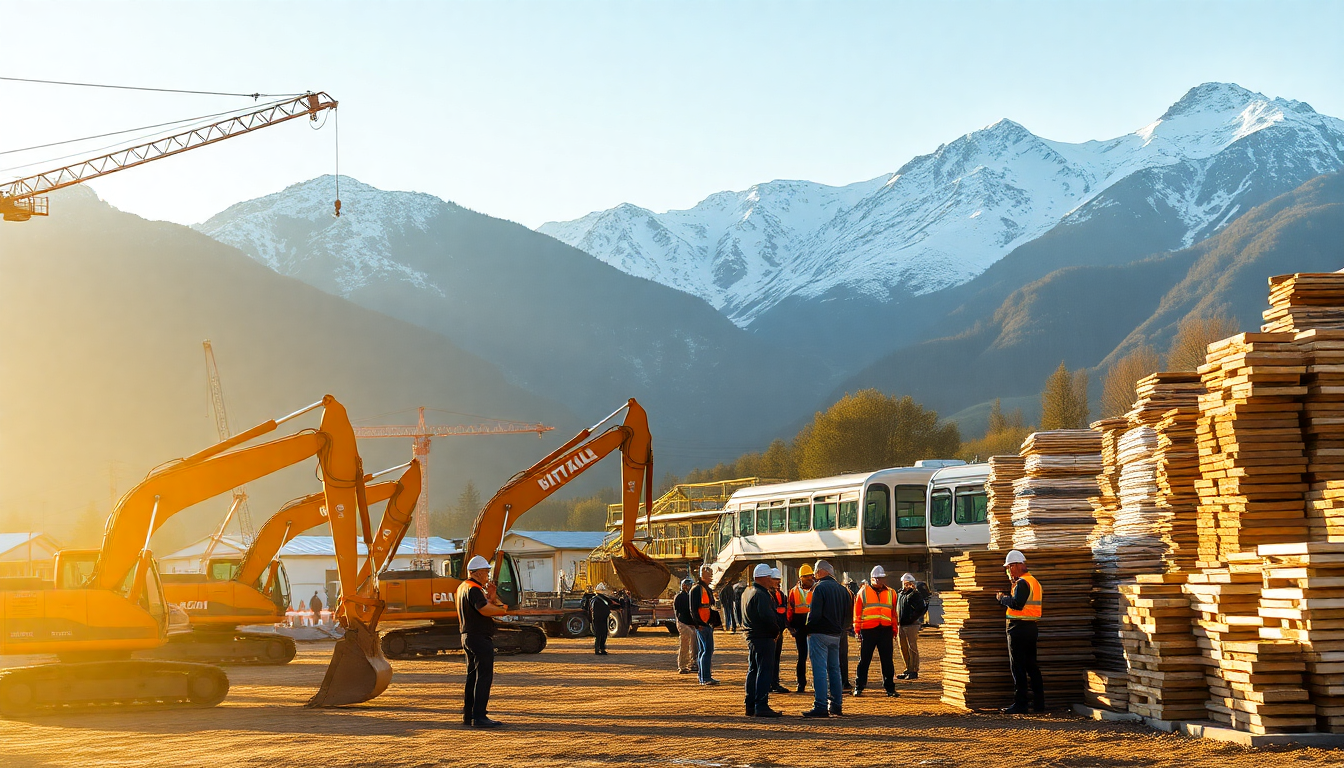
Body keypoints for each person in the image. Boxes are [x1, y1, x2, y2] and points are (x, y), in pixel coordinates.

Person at [456, 554, 507, 728]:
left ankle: (469, 715)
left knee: (472, 676)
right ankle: (480, 716)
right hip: (479, 637)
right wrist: (500, 610)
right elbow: (483, 609)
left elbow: (482, 605)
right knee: (484, 677)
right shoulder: (474, 589)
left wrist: (491, 596)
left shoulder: (463, 587)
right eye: (485, 572)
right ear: (477, 573)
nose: (487, 576)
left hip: (467, 636)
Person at [997, 549, 1045, 714]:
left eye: (1010, 567)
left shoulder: (1023, 583)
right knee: (1032, 666)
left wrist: (1002, 598)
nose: (1009, 570)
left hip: (1018, 628)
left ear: (1018, 565)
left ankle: (1021, 704)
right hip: (1031, 628)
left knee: (1018, 667)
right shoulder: (1034, 582)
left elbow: (1017, 604)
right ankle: (1039, 704)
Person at [802, 559, 848, 717]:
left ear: (822, 572)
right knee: (835, 670)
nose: (814, 575)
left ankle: (820, 705)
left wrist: (808, 629)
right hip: (836, 635)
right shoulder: (842, 590)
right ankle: (837, 704)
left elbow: (814, 615)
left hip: (820, 634)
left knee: (820, 670)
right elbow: (848, 614)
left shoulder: (819, 588)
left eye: (815, 572)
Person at [740, 563, 783, 717]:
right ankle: (761, 705)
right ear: (764, 578)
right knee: (764, 671)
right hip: (763, 637)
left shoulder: (747, 592)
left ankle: (750, 704)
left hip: (752, 637)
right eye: (770, 577)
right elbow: (768, 617)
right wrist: (776, 631)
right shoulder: (761, 594)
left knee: (753, 670)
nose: (772, 580)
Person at [853, 566, 899, 698]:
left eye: (881, 578)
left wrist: (894, 629)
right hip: (868, 630)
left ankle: (890, 688)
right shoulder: (863, 592)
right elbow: (857, 613)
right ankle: (859, 686)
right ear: (871, 579)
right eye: (877, 579)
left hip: (885, 630)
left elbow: (893, 614)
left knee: (887, 661)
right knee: (864, 660)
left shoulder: (891, 593)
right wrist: (857, 630)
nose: (879, 581)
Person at [688, 565, 720, 685]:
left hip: (707, 623)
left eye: (711, 575)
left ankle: (703, 676)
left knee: (704, 650)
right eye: (708, 575)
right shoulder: (696, 589)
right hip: (702, 624)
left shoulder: (706, 588)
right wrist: (698, 624)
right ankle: (705, 677)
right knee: (707, 650)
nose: (710, 578)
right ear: (702, 575)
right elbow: (693, 609)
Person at [786, 564, 815, 693]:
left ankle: (817, 683)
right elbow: (790, 609)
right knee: (802, 656)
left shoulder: (817, 589)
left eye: (811, 576)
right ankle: (801, 683)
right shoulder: (794, 591)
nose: (810, 578)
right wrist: (790, 627)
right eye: (807, 576)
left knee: (816, 657)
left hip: (814, 626)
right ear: (801, 577)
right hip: (800, 627)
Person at [897, 573, 927, 680]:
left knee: (912, 647)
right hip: (901, 625)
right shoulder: (900, 594)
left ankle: (914, 670)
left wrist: (912, 619)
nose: (906, 585)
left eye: (909, 583)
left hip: (911, 625)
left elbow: (921, 609)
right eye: (905, 583)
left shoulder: (915, 595)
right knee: (903, 648)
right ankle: (907, 669)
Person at [673, 578, 699, 674]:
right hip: (683, 622)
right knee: (685, 644)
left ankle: (693, 663)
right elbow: (680, 612)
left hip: (691, 623)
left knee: (695, 643)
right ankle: (683, 666)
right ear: (684, 586)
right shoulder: (679, 597)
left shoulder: (691, 596)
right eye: (689, 585)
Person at [587, 590, 612, 655]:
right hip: (598, 620)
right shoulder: (597, 600)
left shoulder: (599, 600)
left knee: (603, 634)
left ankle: (602, 649)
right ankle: (598, 649)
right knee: (599, 635)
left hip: (602, 619)